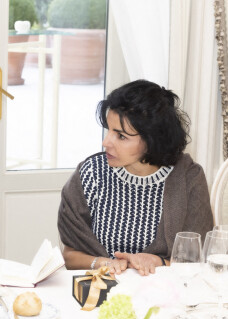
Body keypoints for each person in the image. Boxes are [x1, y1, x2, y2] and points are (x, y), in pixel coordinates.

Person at [58, 79, 213, 276]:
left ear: (152, 140)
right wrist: (103, 263)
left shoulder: (189, 178)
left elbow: (197, 260)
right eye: (109, 130)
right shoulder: (90, 173)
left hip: (165, 296)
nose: (106, 142)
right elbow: (69, 255)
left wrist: (158, 261)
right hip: (102, 291)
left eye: (121, 136)